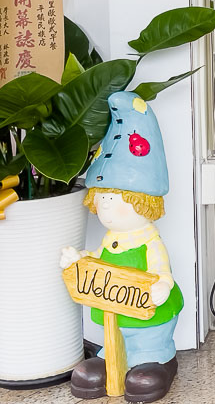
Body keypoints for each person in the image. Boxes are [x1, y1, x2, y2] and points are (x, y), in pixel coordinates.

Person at [61, 92, 183, 403]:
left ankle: (158, 360)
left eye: (114, 199)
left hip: (149, 323)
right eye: (102, 198)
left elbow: (161, 269)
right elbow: (100, 263)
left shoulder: (149, 240)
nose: (105, 208)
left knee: (146, 357)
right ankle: (111, 359)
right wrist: (80, 261)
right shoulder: (109, 240)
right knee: (106, 351)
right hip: (116, 320)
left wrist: (162, 284)